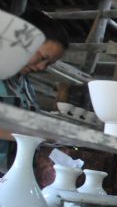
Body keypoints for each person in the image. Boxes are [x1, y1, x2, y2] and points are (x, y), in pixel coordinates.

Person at [0, 9, 69, 172]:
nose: (41, 67)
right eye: (41, 57)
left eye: (49, 63)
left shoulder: (24, 84)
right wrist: (33, 136)